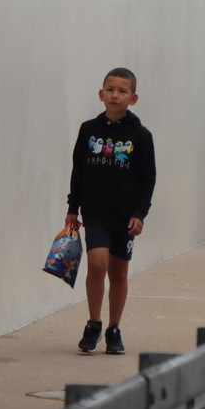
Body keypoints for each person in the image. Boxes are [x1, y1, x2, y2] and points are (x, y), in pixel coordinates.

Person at [65, 68, 157, 356]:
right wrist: (72, 209)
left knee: (118, 274)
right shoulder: (88, 130)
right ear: (101, 93)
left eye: (122, 91)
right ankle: (93, 322)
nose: (115, 95)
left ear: (134, 98)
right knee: (97, 264)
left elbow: (147, 178)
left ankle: (113, 329)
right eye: (110, 89)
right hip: (95, 214)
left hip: (125, 217)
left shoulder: (141, 136)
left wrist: (140, 214)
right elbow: (78, 170)